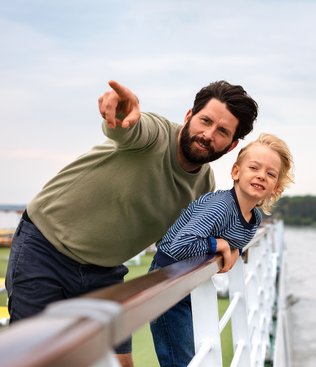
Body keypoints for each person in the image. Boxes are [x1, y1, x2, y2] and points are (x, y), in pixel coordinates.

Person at [5, 79, 259, 367]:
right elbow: (130, 129)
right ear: (189, 116)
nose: (207, 134)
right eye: (205, 121)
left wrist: (232, 245)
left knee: (121, 362)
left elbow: (194, 236)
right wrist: (122, 115)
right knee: (37, 357)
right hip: (44, 248)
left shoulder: (204, 185)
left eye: (222, 131)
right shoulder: (155, 134)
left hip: (104, 272)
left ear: (231, 145)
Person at [149, 133, 294, 367]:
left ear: (275, 187)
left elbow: (237, 237)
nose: (261, 176)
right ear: (236, 172)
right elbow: (179, 245)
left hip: (191, 282)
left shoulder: (254, 217)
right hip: (167, 280)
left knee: (201, 353)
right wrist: (220, 245)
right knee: (180, 360)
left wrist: (235, 249)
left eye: (270, 174)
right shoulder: (221, 207)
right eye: (254, 168)